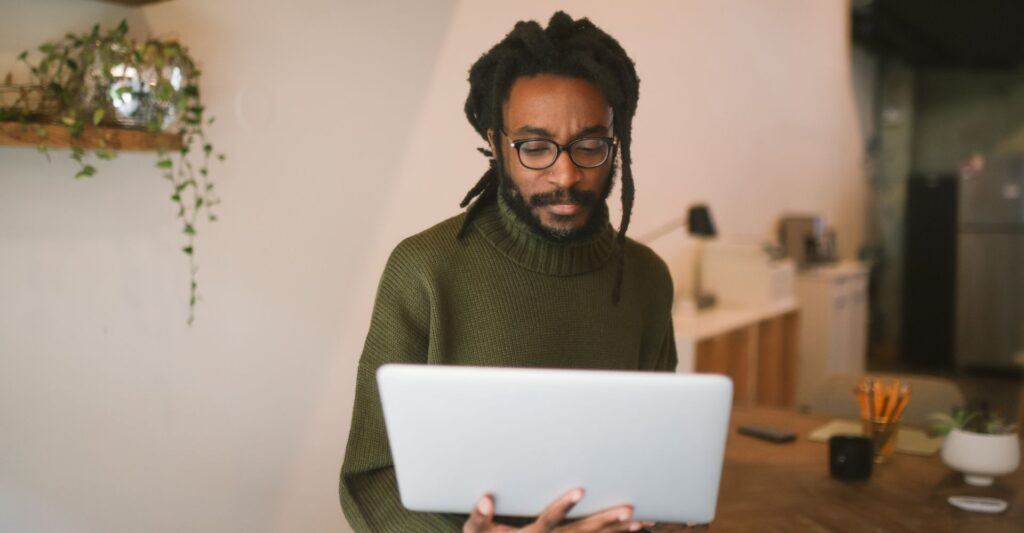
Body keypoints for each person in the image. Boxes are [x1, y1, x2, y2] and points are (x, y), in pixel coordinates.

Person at [340, 11, 700, 533]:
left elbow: (657, 467)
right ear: (496, 144)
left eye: (590, 145)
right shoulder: (424, 270)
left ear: (615, 141)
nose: (565, 173)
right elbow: (370, 476)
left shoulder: (646, 279)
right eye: (534, 147)